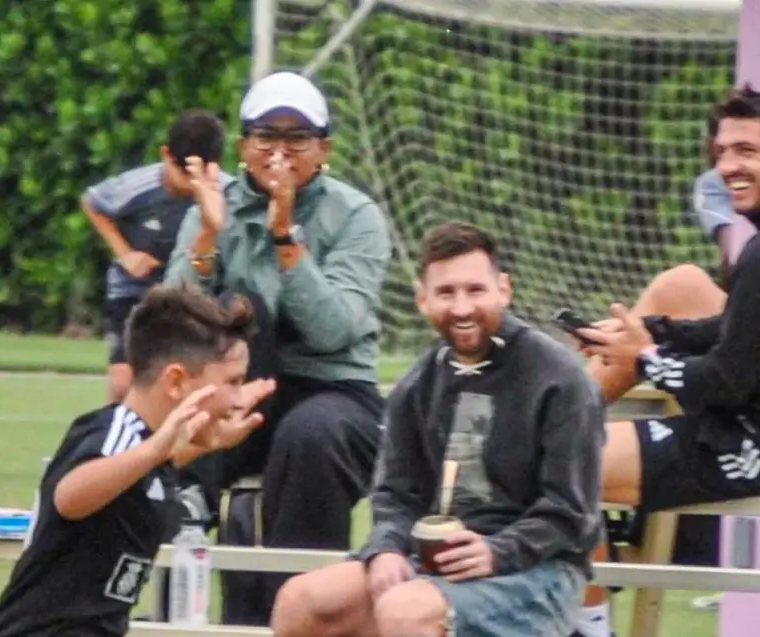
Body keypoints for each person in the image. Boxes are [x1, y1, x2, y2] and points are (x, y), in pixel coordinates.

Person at [270, 221, 605, 637]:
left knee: (405, 614)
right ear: (422, 299)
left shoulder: (561, 379)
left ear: (504, 289)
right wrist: (387, 548)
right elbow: (395, 496)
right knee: (300, 602)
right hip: (432, 560)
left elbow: (573, 513)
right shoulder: (417, 384)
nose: (462, 308)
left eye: (475, 290)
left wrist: (495, 551)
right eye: (446, 293)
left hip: (539, 570)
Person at [164, 70, 391, 623]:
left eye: (297, 138)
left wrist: (287, 238)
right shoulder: (210, 206)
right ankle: (189, 499)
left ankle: (301, 618)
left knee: (309, 435)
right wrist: (208, 240)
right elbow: (167, 325)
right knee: (244, 313)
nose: (280, 151)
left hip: (335, 389)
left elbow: (333, 331)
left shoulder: (355, 216)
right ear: (243, 147)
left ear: (324, 148)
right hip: (237, 388)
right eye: (267, 136)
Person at [0, 284, 276, 637]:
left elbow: (139, 475)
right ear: (176, 381)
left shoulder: (145, 447)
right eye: (232, 382)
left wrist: (205, 445)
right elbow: (70, 496)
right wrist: (157, 451)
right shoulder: (117, 431)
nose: (236, 398)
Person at [578, 85, 760, 633]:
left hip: (744, 441)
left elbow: (727, 380)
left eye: (746, 151)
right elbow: (734, 332)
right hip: (740, 425)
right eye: (721, 152)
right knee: (677, 285)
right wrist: (649, 331)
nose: (727, 166)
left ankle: (590, 621)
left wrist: (645, 357)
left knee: (559, 457)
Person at [81, 110, 228, 402]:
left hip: (193, 295)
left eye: (198, 173)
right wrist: (125, 253)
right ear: (165, 154)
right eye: (183, 172)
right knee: (124, 383)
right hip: (135, 291)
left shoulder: (227, 193)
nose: (190, 183)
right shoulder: (138, 187)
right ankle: (112, 443)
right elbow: (92, 202)